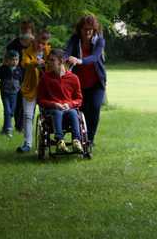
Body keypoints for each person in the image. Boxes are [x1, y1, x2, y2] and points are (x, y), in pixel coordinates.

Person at [64, 15, 107, 149]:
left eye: (90, 29)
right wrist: (64, 58)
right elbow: (67, 52)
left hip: (96, 83)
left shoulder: (99, 40)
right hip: (79, 84)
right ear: (80, 29)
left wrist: (80, 60)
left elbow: (95, 57)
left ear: (94, 30)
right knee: (79, 111)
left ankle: (90, 140)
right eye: (85, 29)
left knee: (94, 108)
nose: (88, 32)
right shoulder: (74, 39)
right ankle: (80, 138)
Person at [37, 49, 83, 153]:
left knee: (73, 112)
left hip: (68, 109)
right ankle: (59, 141)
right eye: (48, 60)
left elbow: (79, 99)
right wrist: (54, 104)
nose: (49, 63)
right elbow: (40, 100)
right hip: (52, 110)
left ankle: (76, 141)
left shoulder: (73, 78)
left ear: (61, 61)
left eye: (52, 60)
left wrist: (69, 104)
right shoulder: (45, 78)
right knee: (57, 112)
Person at [16, 30, 51, 153]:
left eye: (43, 44)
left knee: (46, 117)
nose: (40, 46)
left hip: (45, 90)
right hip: (30, 89)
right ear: (34, 40)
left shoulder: (49, 52)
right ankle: (27, 143)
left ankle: (45, 141)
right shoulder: (26, 52)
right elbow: (25, 64)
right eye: (39, 42)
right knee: (27, 115)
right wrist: (36, 63)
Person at [6, 22, 35, 132]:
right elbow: (6, 60)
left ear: (31, 30)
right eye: (23, 29)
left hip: (32, 76)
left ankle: (27, 124)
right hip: (17, 77)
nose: (25, 31)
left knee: (30, 101)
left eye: (27, 29)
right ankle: (19, 126)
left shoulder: (35, 44)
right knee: (18, 102)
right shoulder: (13, 44)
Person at [0, 49, 23, 137]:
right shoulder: (2, 69)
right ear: (7, 60)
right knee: (7, 110)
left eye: (16, 60)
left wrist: (22, 89)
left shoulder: (19, 69)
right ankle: (9, 129)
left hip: (15, 93)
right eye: (12, 60)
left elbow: (21, 81)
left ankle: (4, 129)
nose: (14, 62)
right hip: (5, 92)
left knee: (12, 111)